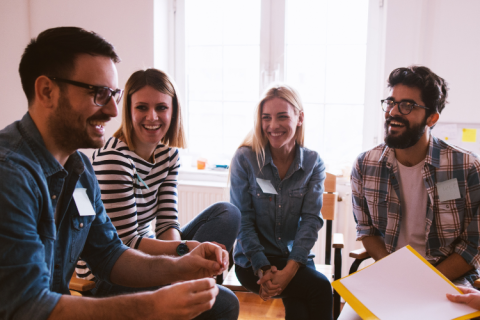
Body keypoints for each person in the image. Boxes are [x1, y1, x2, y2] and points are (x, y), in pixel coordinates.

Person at [0, 26, 238, 320]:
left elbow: (109, 253)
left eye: (114, 94)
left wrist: (182, 264)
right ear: (47, 91)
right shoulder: (10, 176)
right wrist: (152, 305)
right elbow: (27, 307)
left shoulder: (79, 170)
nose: (114, 110)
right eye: (99, 94)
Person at [75, 68, 241, 298]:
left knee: (228, 213)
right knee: (223, 300)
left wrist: (179, 260)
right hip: (111, 271)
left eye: (161, 107)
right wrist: (183, 254)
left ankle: (188, 285)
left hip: (149, 255)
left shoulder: (168, 155)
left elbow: (167, 223)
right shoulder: (114, 158)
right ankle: (189, 286)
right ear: (128, 110)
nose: (152, 117)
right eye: (142, 107)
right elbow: (124, 244)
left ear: (173, 112)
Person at [339, 66, 480, 319]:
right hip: (388, 277)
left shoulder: (466, 167)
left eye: (407, 105)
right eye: (391, 102)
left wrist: (424, 283)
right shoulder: (365, 165)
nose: (393, 112)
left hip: (448, 278)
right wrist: (394, 274)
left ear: (432, 118)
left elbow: (473, 245)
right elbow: (367, 231)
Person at [229, 84, 333, 320]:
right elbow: (242, 220)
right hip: (252, 261)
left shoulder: (313, 163)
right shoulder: (246, 159)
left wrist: (289, 270)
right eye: (266, 117)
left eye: (282, 116)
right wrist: (263, 268)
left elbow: (310, 220)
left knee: (300, 306)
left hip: (293, 258)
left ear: (300, 118)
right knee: (319, 288)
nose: (273, 126)